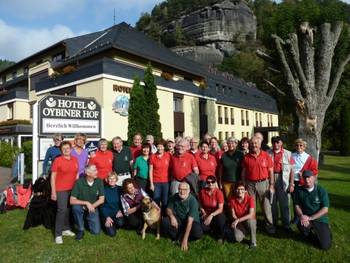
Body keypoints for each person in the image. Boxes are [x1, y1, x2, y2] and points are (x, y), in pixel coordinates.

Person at [241, 136, 275, 234]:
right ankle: (252, 226)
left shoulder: (266, 155)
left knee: (266, 206)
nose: (254, 145)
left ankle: (269, 226)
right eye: (252, 143)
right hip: (250, 184)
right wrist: (243, 184)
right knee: (251, 207)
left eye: (256, 143)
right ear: (250, 145)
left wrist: (271, 184)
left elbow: (271, 171)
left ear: (260, 145)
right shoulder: (246, 157)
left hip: (263, 183)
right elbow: (243, 171)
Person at [295, 170, 332, 250]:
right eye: (305, 178)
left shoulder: (321, 190)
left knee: (325, 246)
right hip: (306, 219)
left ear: (314, 178)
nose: (307, 180)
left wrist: (311, 218)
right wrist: (302, 216)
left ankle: (326, 230)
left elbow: (325, 209)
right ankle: (311, 231)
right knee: (301, 226)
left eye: (309, 177)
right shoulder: (299, 191)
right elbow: (297, 206)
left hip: (320, 219)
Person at [50, 141, 79, 244]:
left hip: (72, 189)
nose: (66, 150)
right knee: (61, 210)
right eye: (64, 149)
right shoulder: (57, 160)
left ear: (71, 149)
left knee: (68, 210)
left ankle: (66, 229)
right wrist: (53, 192)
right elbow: (53, 177)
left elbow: (76, 175)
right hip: (60, 189)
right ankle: (58, 234)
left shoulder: (75, 159)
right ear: (61, 150)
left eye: (68, 148)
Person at [162, 182, 203, 251]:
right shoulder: (175, 196)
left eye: (184, 189)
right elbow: (168, 209)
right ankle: (178, 236)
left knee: (198, 233)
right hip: (179, 220)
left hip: (192, 222)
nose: (182, 191)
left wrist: (185, 240)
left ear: (189, 191)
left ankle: (182, 237)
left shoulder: (193, 201)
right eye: (180, 189)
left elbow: (190, 222)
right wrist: (172, 217)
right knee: (165, 221)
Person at [70, 164, 105, 241]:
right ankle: (80, 229)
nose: (97, 172)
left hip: (93, 207)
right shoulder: (79, 182)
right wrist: (86, 203)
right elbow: (72, 200)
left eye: (96, 169)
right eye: (95, 170)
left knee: (96, 232)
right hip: (81, 206)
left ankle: (86, 220)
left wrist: (91, 206)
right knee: (76, 208)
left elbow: (102, 199)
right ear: (88, 173)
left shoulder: (99, 181)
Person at [267, 136, 295, 232]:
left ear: (281, 143)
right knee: (272, 202)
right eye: (274, 142)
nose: (275, 144)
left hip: (283, 179)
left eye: (277, 142)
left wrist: (291, 184)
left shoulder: (288, 154)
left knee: (284, 203)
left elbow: (292, 170)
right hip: (270, 178)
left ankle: (286, 224)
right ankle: (273, 223)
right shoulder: (267, 153)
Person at [291, 138, 318, 223]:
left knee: (303, 200)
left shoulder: (308, 158)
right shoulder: (291, 155)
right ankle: (296, 217)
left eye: (301, 145)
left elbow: (315, 170)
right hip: (293, 181)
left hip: (303, 182)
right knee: (295, 200)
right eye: (297, 145)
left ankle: (304, 217)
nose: (298, 147)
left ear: (304, 147)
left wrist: (304, 173)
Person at [227, 182, 257, 249]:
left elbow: (251, 214)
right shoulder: (232, 200)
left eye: (242, 189)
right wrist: (238, 222)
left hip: (248, 220)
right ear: (235, 190)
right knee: (237, 238)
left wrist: (238, 220)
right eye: (238, 189)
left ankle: (253, 242)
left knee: (251, 222)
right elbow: (233, 214)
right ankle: (245, 232)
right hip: (239, 222)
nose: (240, 191)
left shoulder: (250, 199)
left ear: (245, 190)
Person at [198, 176, 226, 242]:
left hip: (217, 214)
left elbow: (220, 209)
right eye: (208, 182)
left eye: (212, 182)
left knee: (220, 218)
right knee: (202, 228)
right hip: (206, 214)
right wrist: (204, 212)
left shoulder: (219, 192)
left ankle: (220, 236)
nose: (210, 184)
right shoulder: (202, 192)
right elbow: (200, 203)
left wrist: (211, 215)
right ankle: (212, 228)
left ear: (215, 182)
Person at [100, 172, 124, 237]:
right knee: (112, 234)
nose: (112, 180)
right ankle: (105, 223)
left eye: (114, 178)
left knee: (120, 223)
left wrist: (120, 210)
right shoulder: (103, 190)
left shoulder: (120, 189)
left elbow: (123, 202)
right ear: (107, 180)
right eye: (110, 178)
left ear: (116, 179)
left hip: (116, 213)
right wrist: (107, 217)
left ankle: (114, 224)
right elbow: (101, 206)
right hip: (106, 214)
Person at [149, 139, 171, 211]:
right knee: (156, 200)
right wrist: (151, 184)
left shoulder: (168, 155)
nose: (160, 148)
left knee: (165, 201)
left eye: (161, 146)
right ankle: (157, 218)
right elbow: (150, 170)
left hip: (166, 182)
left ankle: (164, 217)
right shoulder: (152, 156)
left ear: (164, 147)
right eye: (158, 146)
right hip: (156, 182)